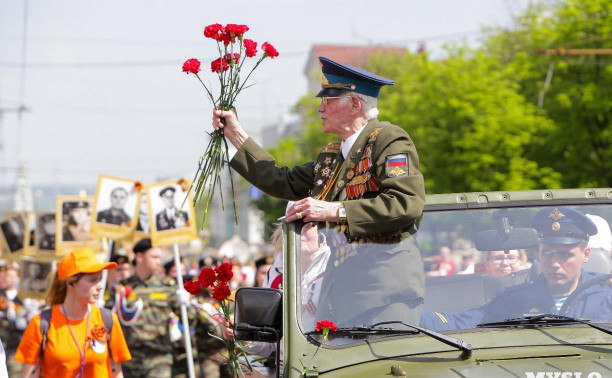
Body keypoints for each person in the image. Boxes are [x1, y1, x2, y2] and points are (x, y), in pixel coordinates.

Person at [212, 56, 426, 327]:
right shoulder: (332, 155)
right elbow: (282, 180)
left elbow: (405, 203)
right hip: (341, 296)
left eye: (328, 100)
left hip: (384, 294)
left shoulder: (389, 139)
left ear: (355, 104)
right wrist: (236, 135)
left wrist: (335, 210)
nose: (320, 109)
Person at [420, 207, 612, 330]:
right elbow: (460, 325)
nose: (554, 263)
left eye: (565, 254)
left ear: (586, 255)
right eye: (547, 253)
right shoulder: (514, 299)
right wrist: (406, 313)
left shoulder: (607, 296)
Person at [15, 248, 131, 377]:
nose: (100, 286)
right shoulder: (40, 324)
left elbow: (117, 373)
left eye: (100, 279)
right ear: (70, 283)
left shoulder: (108, 319)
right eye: (93, 280)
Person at [106, 238, 192, 378]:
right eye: (154, 257)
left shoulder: (167, 286)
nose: (158, 261)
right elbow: (109, 318)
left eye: (159, 257)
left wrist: (186, 305)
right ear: (140, 256)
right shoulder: (122, 287)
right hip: (130, 359)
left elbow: (189, 320)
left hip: (158, 358)